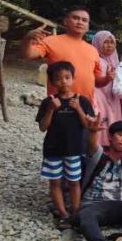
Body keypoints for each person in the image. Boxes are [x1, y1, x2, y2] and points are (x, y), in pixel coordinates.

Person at [36, 61, 95, 229]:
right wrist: (50, 109)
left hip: (74, 149)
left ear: (73, 78)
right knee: (55, 183)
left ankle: (75, 212)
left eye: (67, 77)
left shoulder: (82, 101)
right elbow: (43, 127)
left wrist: (78, 109)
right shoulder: (48, 102)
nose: (63, 81)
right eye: (58, 78)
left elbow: (87, 125)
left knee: (74, 182)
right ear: (52, 82)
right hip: (53, 149)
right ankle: (63, 214)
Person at [20, 6, 111, 101]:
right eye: (75, 18)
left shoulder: (93, 50)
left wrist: (108, 78)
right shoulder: (51, 41)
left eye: (84, 20)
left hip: (85, 105)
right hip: (58, 104)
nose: (80, 22)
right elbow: (27, 55)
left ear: (88, 26)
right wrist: (28, 39)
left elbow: (97, 82)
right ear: (65, 21)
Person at [91, 31, 122, 147]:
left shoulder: (115, 62)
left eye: (112, 42)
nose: (109, 45)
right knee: (102, 129)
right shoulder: (95, 60)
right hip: (99, 99)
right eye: (105, 42)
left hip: (114, 99)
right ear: (98, 43)